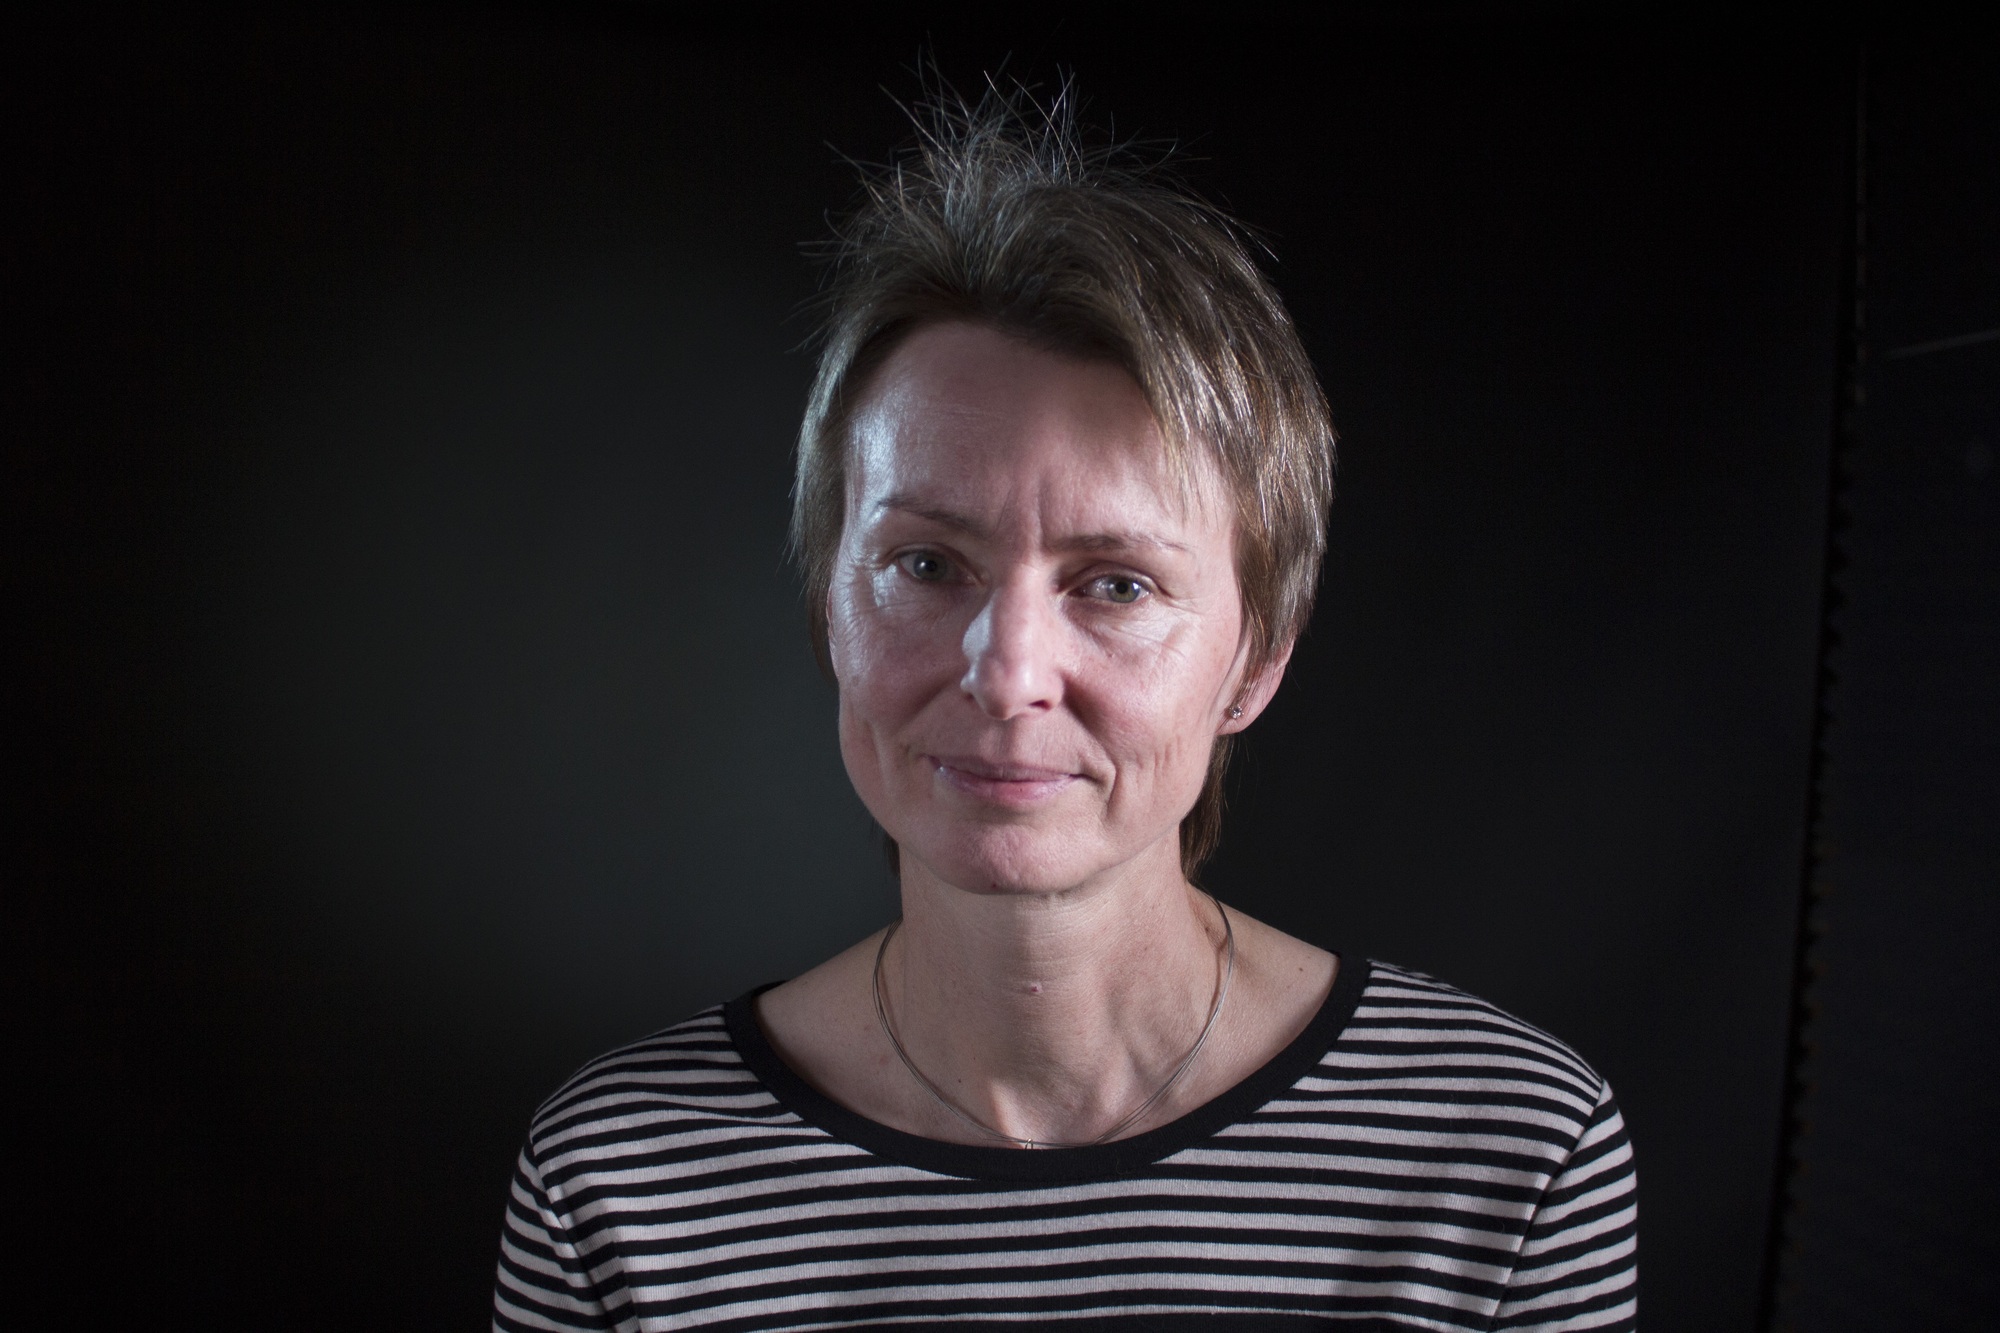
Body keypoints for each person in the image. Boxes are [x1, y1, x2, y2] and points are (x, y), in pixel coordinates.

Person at [493, 86, 1637, 1332]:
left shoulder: (1507, 1154)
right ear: (827, 613)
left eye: (1117, 584)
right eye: (926, 563)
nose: (1005, 674)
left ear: (1255, 660)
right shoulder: (618, 1183)